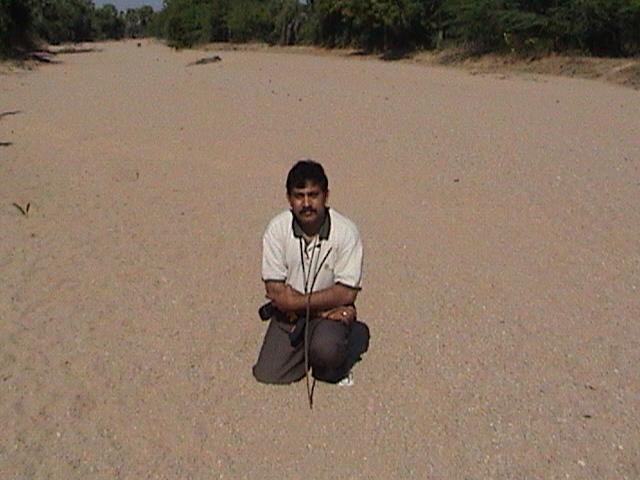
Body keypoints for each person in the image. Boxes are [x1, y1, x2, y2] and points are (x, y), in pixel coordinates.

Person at [253, 160, 367, 384]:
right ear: (289, 198)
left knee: (327, 351)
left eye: (313, 195)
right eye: (299, 195)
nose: (306, 203)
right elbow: (274, 289)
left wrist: (296, 302)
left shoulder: (346, 232)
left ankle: (338, 344)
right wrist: (320, 310)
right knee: (267, 374)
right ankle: (307, 346)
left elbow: (346, 293)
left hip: (317, 315)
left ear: (326, 195)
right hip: (297, 315)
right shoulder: (277, 229)